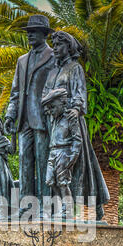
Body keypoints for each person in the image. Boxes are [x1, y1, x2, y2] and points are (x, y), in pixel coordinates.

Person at [43, 30, 110, 220]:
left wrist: (76, 108)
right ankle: (61, 208)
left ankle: (95, 206)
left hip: (72, 120)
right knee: (57, 174)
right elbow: (44, 97)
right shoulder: (52, 72)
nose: (55, 48)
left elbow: (80, 93)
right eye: (54, 45)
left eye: (59, 45)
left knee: (83, 168)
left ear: (69, 47)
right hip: (54, 121)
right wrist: (52, 100)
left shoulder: (74, 68)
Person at [4, 15, 55, 217]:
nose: (30, 35)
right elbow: (15, 90)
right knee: (24, 163)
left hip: (43, 120)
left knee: (43, 162)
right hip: (23, 120)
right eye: (28, 32)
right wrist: (10, 114)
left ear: (44, 34)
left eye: (33, 31)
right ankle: (26, 206)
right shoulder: (22, 60)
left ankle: (45, 206)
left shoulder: (53, 57)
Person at [41, 88, 82, 218]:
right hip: (53, 152)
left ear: (62, 103)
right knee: (49, 181)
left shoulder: (70, 118)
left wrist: (73, 155)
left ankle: (67, 210)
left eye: (52, 107)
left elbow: (77, 138)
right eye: (49, 108)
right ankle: (62, 206)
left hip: (64, 152)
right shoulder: (54, 119)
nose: (50, 111)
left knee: (63, 183)